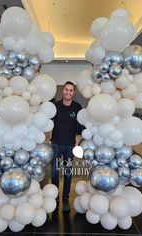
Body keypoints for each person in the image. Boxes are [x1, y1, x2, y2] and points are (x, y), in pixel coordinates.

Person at [51, 81, 82, 213]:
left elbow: (80, 126)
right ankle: (55, 196)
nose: (68, 92)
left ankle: (65, 199)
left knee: (68, 173)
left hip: (70, 145)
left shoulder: (77, 107)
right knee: (54, 172)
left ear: (74, 93)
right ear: (62, 90)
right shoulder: (55, 106)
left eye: (70, 90)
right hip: (56, 144)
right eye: (66, 89)